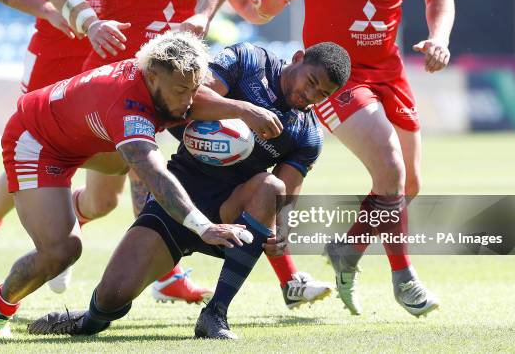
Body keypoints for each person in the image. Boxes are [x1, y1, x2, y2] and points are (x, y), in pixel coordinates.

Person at [42, 0, 330, 308]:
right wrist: (90, 23)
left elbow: (247, 3)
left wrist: (264, 8)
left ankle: (276, 278)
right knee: (101, 198)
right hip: (115, 84)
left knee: (239, 173)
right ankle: (31, 240)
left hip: (170, 94)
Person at [27, 40, 351, 340]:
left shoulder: (307, 134)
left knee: (271, 187)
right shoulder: (248, 60)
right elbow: (189, 102)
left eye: (321, 94)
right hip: (178, 195)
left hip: (230, 209)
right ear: (298, 60)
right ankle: (87, 322)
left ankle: (216, 315)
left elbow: (286, 192)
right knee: (113, 295)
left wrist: (283, 228)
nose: (310, 95)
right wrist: (242, 109)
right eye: (310, 82)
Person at [181, 0, 455, 317]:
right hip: (329, 77)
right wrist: (203, 14)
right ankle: (404, 277)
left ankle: (347, 250)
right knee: (391, 168)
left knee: (406, 185)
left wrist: (440, 38)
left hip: (388, 69)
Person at [0, 31, 286, 338]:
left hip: (87, 138)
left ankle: (75, 214)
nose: (188, 101)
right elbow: (156, 175)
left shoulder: (162, 80)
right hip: (37, 142)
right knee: (62, 250)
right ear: (152, 77)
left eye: (192, 89)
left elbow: (196, 98)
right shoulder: (127, 106)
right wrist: (203, 227)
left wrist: (244, 110)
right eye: (181, 90)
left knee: (104, 201)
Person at [0, 0, 211, 301]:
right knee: (33, 154)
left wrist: (254, 3)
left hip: (115, 54)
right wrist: (50, 10)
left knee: (106, 196)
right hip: (58, 53)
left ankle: (151, 266)